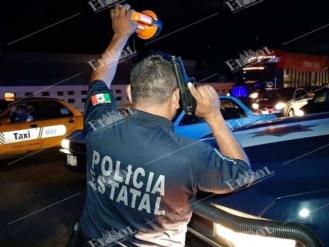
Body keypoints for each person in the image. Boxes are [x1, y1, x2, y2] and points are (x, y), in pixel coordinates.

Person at [77, 4, 252, 247]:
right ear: (176, 98)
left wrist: (120, 35)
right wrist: (214, 117)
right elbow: (243, 175)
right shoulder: (191, 154)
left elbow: (99, 80)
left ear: (129, 91)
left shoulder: (99, 123)